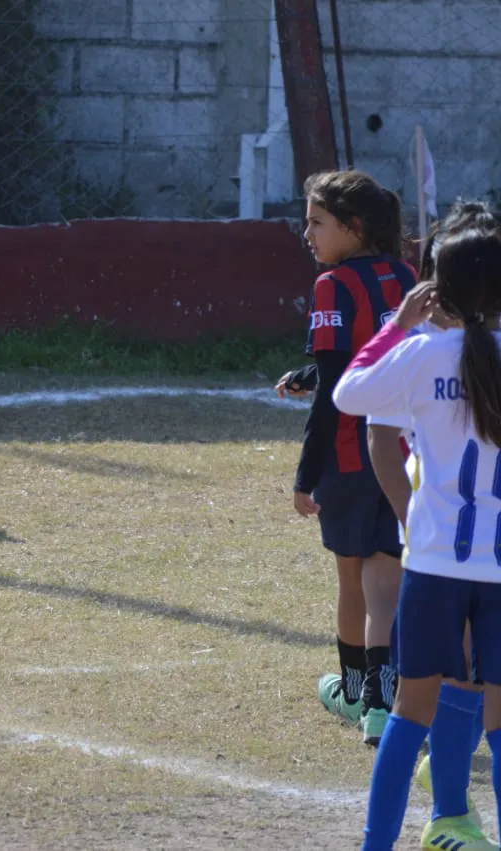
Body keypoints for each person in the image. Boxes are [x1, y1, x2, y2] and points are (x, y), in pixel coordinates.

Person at [334, 226, 501, 851]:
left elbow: (350, 393)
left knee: (409, 719)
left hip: (434, 565)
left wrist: (398, 325)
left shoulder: (425, 353)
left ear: (439, 289)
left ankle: (377, 845)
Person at [286, 170, 417, 746]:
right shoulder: (407, 276)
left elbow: (341, 388)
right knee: (385, 580)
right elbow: (384, 357)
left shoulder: (331, 285)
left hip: (346, 453)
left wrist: (304, 476)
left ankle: (355, 690)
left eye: (316, 222)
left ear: (352, 227)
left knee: (350, 580)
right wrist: (313, 371)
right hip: (404, 452)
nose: (306, 233)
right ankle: (385, 701)